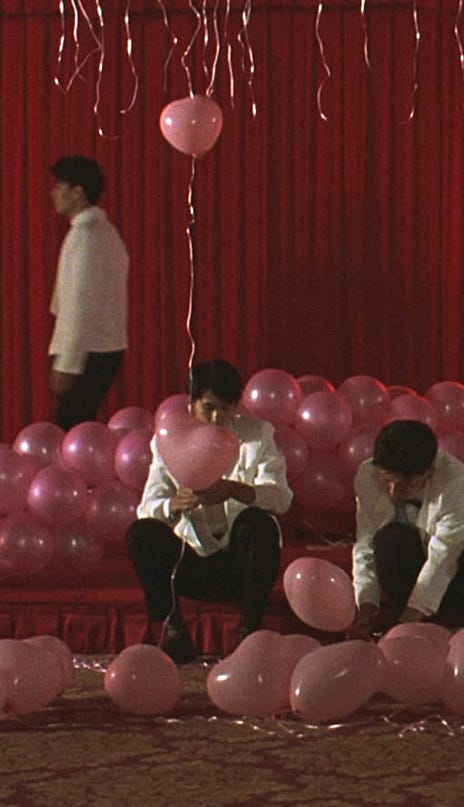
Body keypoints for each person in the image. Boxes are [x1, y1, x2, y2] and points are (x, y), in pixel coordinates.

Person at [128, 360, 292, 663]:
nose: (217, 417)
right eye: (209, 408)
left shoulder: (257, 435)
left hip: (242, 565)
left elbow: (282, 499)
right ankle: (172, 629)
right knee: (141, 533)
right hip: (190, 561)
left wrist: (235, 490)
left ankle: (248, 632)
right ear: (191, 404)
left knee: (259, 523)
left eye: (226, 409)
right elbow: (146, 510)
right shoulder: (168, 440)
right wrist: (172, 505)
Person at [351, 420, 464, 633]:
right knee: (388, 539)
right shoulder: (367, 476)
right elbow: (365, 543)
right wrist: (367, 605)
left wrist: (408, 620)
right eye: (386, 479)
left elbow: (444, 556)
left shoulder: (456, 482)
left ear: (429, 470)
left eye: (407, 484)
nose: (393, 491)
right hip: (415, 565)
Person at [48, 156, 129, 430]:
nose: (54, 193)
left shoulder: (88, 238)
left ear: (78, 192)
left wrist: (68, 362)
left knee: (72, 430)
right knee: (77, 426)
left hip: (91, 350)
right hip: (99, 347)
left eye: (60, 186)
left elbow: (79, 306)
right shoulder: (101, 233)